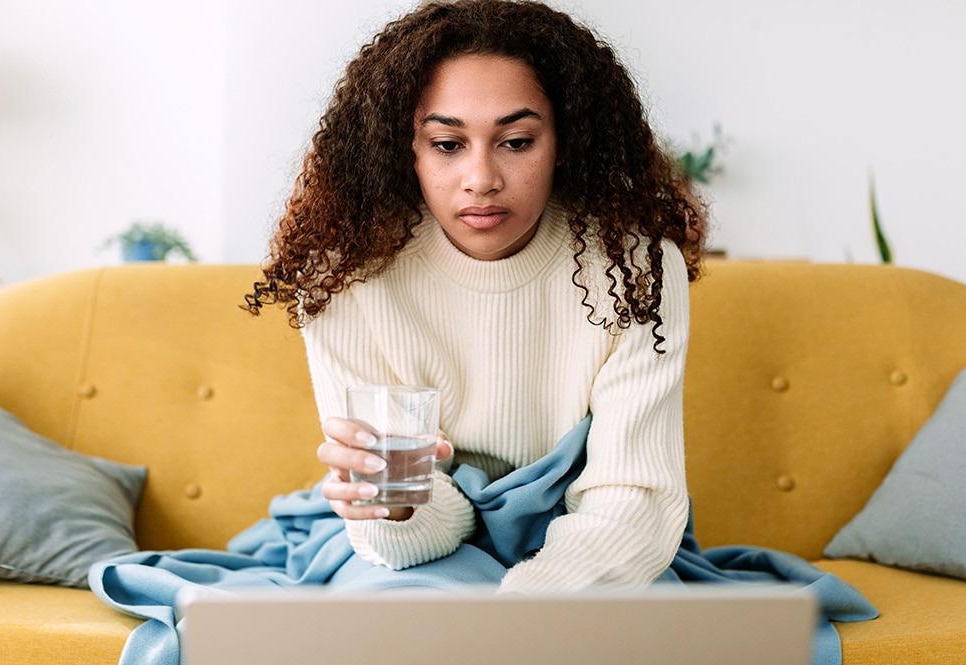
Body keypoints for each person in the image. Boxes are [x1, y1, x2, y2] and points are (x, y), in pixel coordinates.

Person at [244, 0, 707, 594]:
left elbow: (630, 505)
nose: (481, 178)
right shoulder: (347, 272)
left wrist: (521, 616)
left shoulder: (636, 264)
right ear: (404, 148)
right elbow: (403, 517)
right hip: (419, 550)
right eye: (446, 144)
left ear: (564, 140)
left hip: (594, 548)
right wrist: (396, 509)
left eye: (515, 142)